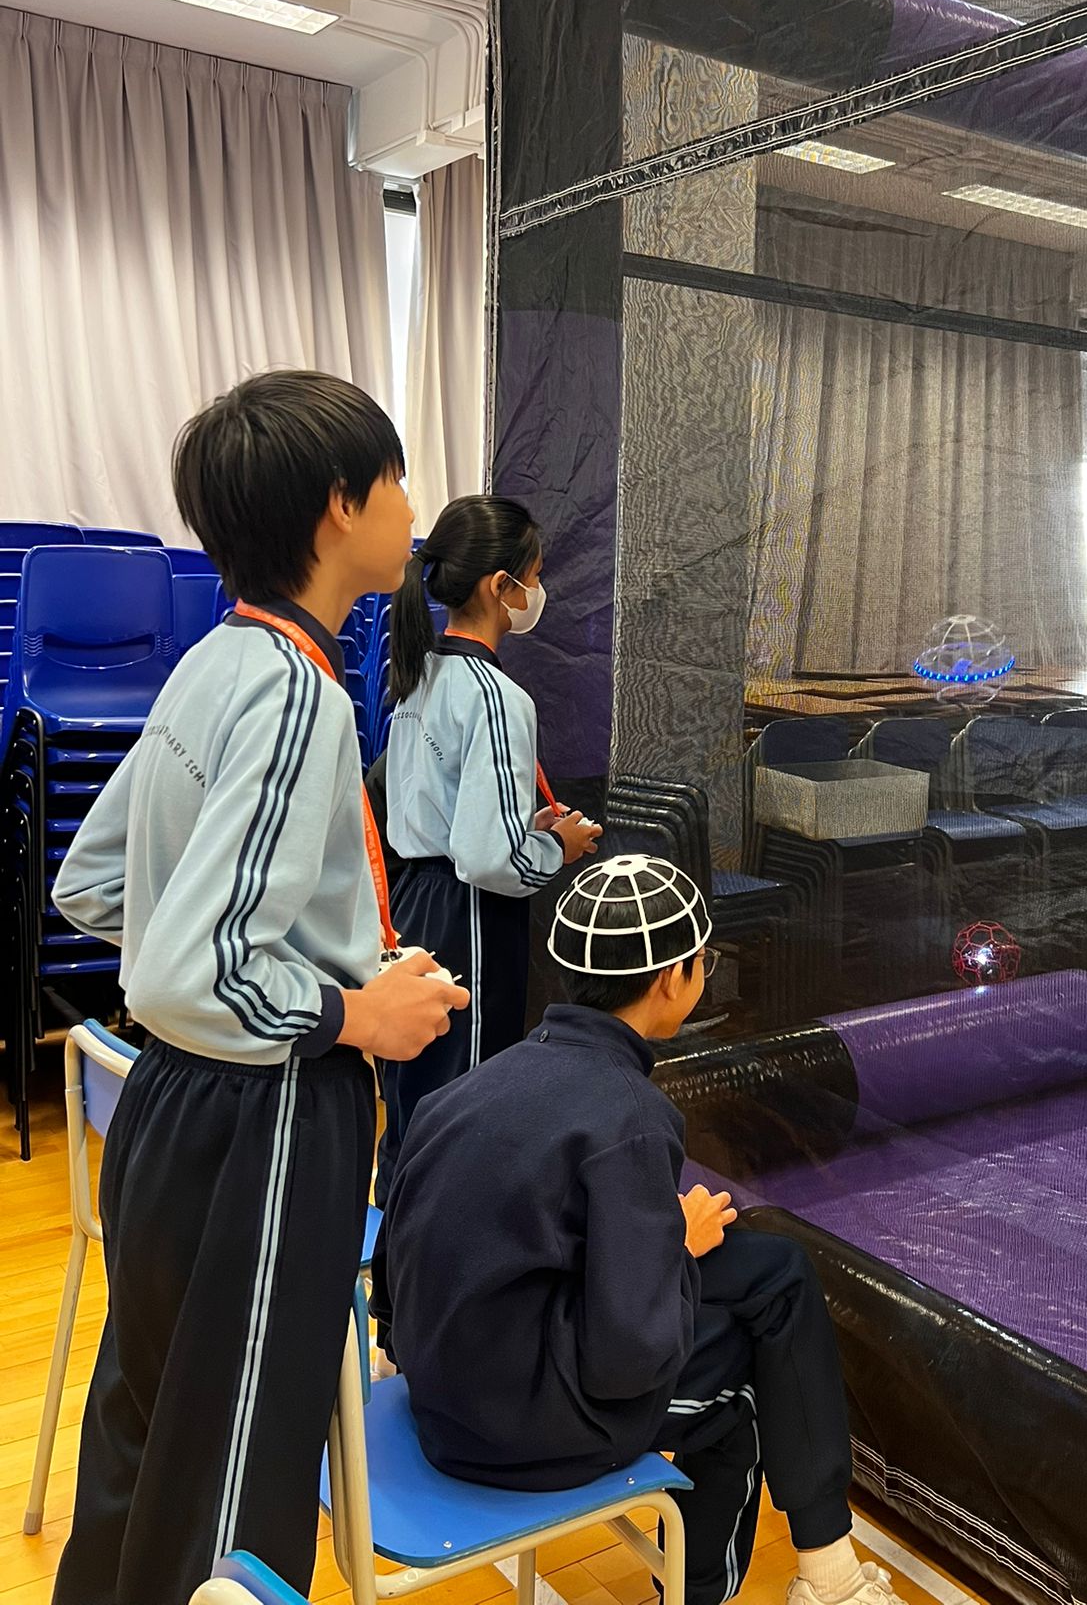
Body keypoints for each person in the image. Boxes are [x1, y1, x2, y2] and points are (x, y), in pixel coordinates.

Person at [50, 371, 471, 1605]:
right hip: (268, 1116)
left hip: (173, 1107)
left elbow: (94, 883)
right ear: (339, 506)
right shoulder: (301, 695)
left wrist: (314, 963)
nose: (412, 508)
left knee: (148, 1437)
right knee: (236, 1497)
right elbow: (198, 965)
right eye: (396, 480)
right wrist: (353, 1009)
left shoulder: (211, 663)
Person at [372, 856, 896, 1605]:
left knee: (775, 1270)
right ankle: (801, 1580)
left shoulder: (467, 1090)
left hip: (443, 1392)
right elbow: (628, 1356)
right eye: (703, 961)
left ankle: (823, 1568)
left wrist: (666, 1247)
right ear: (674, 978)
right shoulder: (629, 1115)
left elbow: (395, 1277)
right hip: (516, 1434)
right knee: (751, 1382)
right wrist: (673, 1247)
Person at [372, 495, 602, 1207]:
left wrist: (520, 826)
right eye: (533, 576)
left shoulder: (417, 673)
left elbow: (438, 810)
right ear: (500, 587)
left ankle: (399, 1246)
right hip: (468, 916)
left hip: (411, 905)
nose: (539, 591)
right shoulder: (498, 697)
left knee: (414, 1087)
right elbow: (489, 860)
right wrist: (557, 845)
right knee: (464, 1096)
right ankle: (451, 1244)